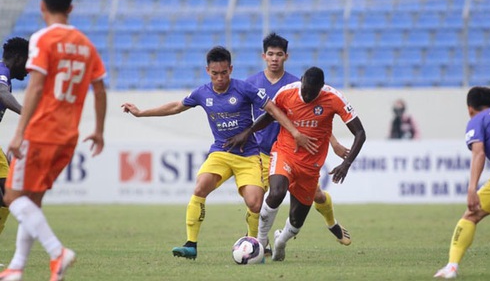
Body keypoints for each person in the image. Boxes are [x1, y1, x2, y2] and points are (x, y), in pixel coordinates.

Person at [121, 46, 316, 260]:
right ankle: (191, 244)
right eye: (215, 73)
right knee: (200, 186)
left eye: (224, 72)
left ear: (230, 69)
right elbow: (176, 106)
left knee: (255, 202)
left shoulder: (244, 88)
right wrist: (141, 113)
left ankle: (255, 246)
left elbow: (273, 110)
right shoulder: (202, 93)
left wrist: (295, 132)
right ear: (208, 71)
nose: (220, 77)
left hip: (249, 155)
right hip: (220, 153)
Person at [0, 0, 108, 281]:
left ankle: (57, 251)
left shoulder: (42, 40)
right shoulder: (86, 45)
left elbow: (34, 88)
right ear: (71, 7)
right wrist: (99, 130)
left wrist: (20, 130)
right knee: (32, 200)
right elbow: (100, 90)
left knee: (12, 197)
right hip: (68, 136)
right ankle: (17, 267)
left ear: (42, 5)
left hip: (41, 132)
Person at [226, 66, 366, 262]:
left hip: (311, 165)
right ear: (301, 81)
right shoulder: (286, 92)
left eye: (313, 92)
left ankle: (280, 242)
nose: (308, 96)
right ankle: (260, 241)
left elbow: (360, 133)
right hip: (285, 153)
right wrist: (248, 132)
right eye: (305, 90)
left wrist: (347, 163)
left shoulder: (334, 98)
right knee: (276, 192)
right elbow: (269, 115)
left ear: (321, 88)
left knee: (296, 222)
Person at [245, 33, 352, 252]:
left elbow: (315, 122)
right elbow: (247, 116)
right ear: (263, 56)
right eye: (271, 54)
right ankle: (257, 242)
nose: (275, 58)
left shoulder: (297, 84)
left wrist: (333, 142)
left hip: (295, 152)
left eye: (279, 54)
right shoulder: (251, 84)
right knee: (258, 200)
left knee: (317, 195)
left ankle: (331, 223)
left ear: (286, 56)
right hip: (262, 151)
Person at [434, 86, 490, 279]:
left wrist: (472, 188)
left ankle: (452, 267)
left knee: (471, 215)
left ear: (470, 108)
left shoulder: (477, 120)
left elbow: (478, 152)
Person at [0, 37, 29, 238]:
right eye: (28, 62)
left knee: (6, 196)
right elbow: (1, 93)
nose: (29, 69)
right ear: (18, 58)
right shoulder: (2, 72)